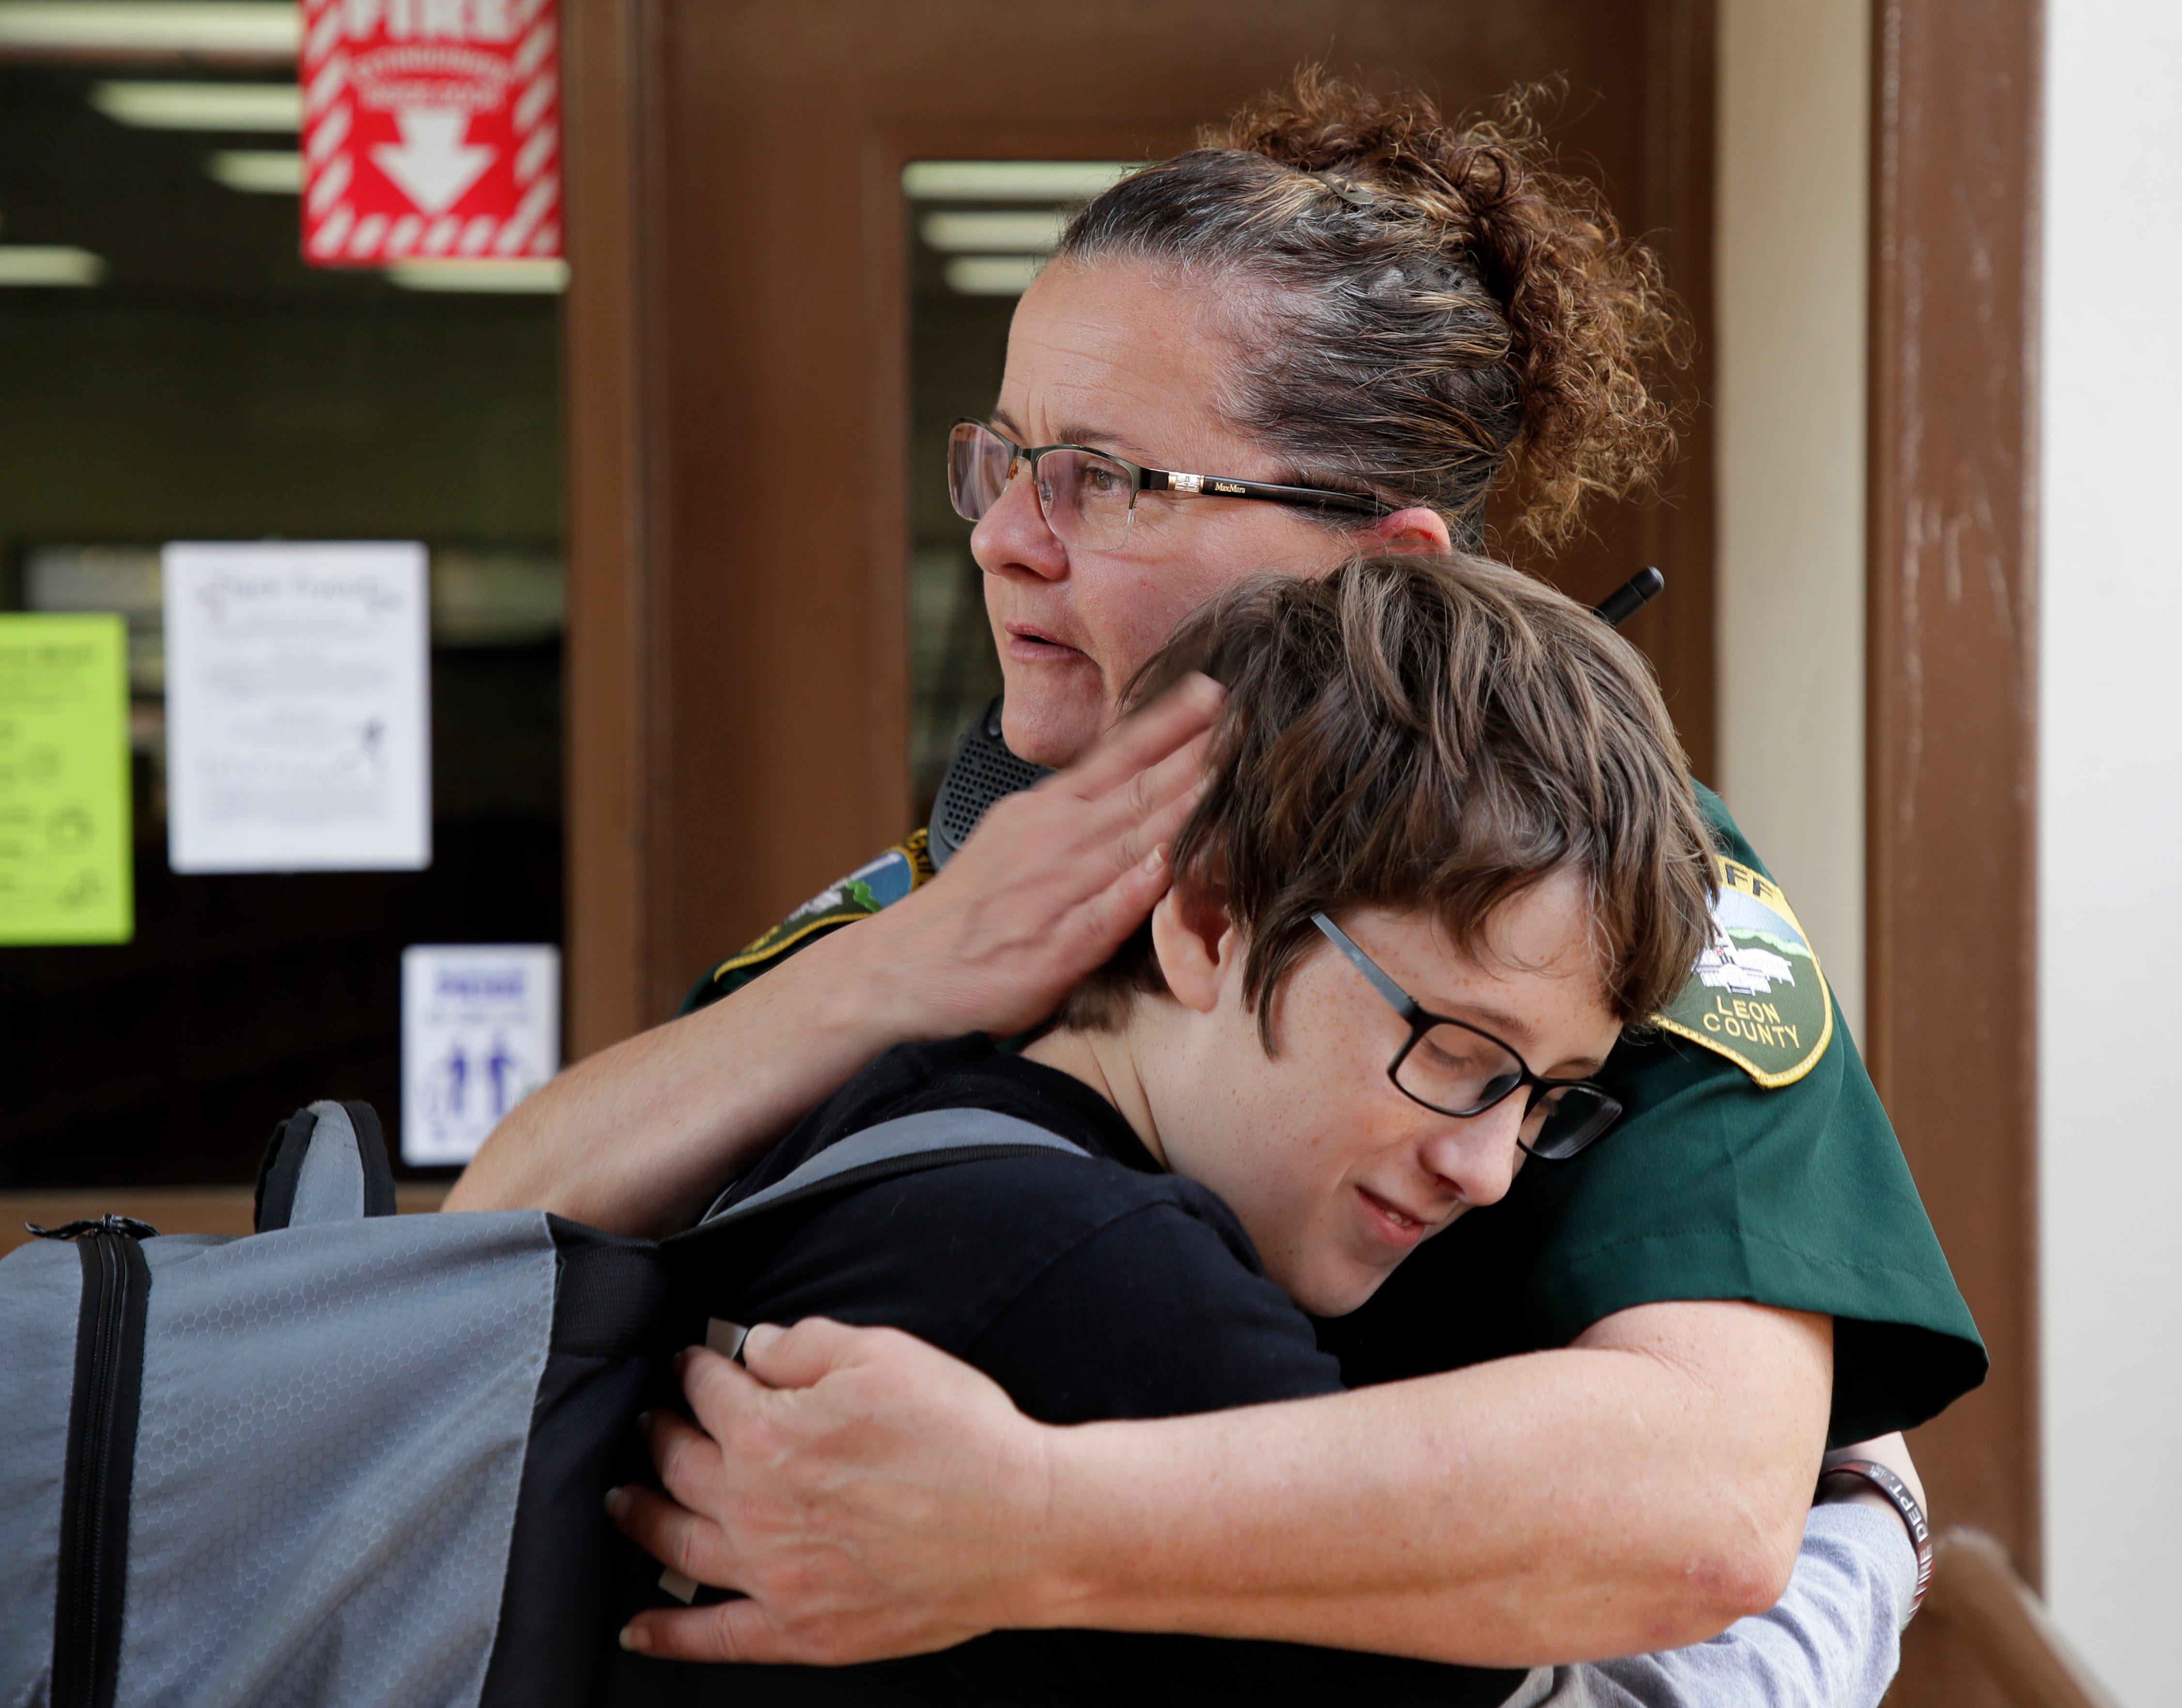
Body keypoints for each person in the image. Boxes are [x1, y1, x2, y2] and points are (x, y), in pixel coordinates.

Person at [450, 72, 1983, 1672]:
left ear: (1377, 570)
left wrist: (1030, 1522)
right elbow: (483, 1258)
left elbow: (1696, 1512)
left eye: (1106, 480)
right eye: (1009, 461)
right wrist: (902, 968)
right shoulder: (950, 888)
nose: (1003, 538)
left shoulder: (1583, 891)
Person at [619, 553, 1923, 1708]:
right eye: (1455, 1054)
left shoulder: (873, 1132)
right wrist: (1867, 1535)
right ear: (1202, 924)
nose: (1481, 1166)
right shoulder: (1108, 1283)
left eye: (1542, 1098)